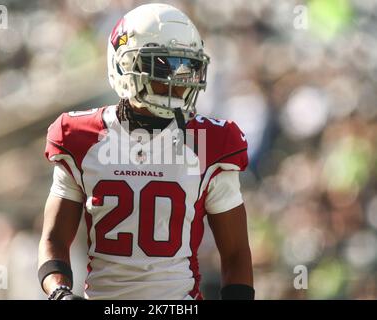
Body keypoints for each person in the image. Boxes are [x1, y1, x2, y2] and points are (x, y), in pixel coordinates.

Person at [38, 3, 254, 300]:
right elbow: (53, 239)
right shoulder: (79, 137)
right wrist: (59, 293)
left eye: (185, 66)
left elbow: (235, 253)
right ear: (123, 66)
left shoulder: (211, 141)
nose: (175, 81)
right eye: (162, 65)